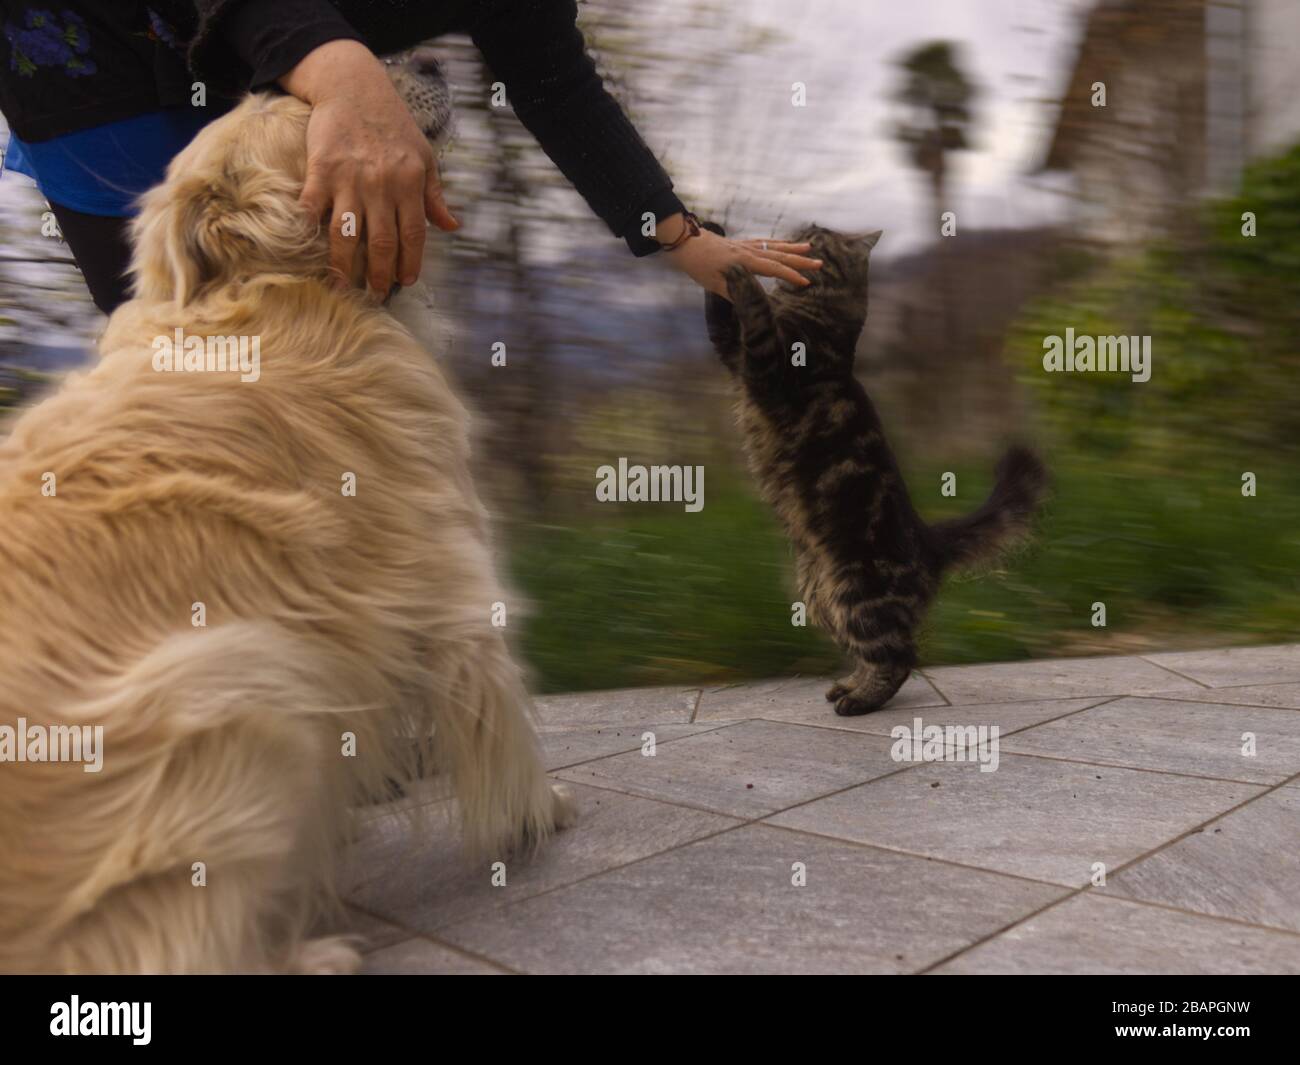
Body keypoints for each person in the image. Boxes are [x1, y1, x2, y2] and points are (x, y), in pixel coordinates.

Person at [0, 1, 820, 313]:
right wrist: (341, 73)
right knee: (178, 353)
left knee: (322, 355)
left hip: (270, 67)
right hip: (89, 54)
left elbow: (555, 82)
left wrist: (680, 236)